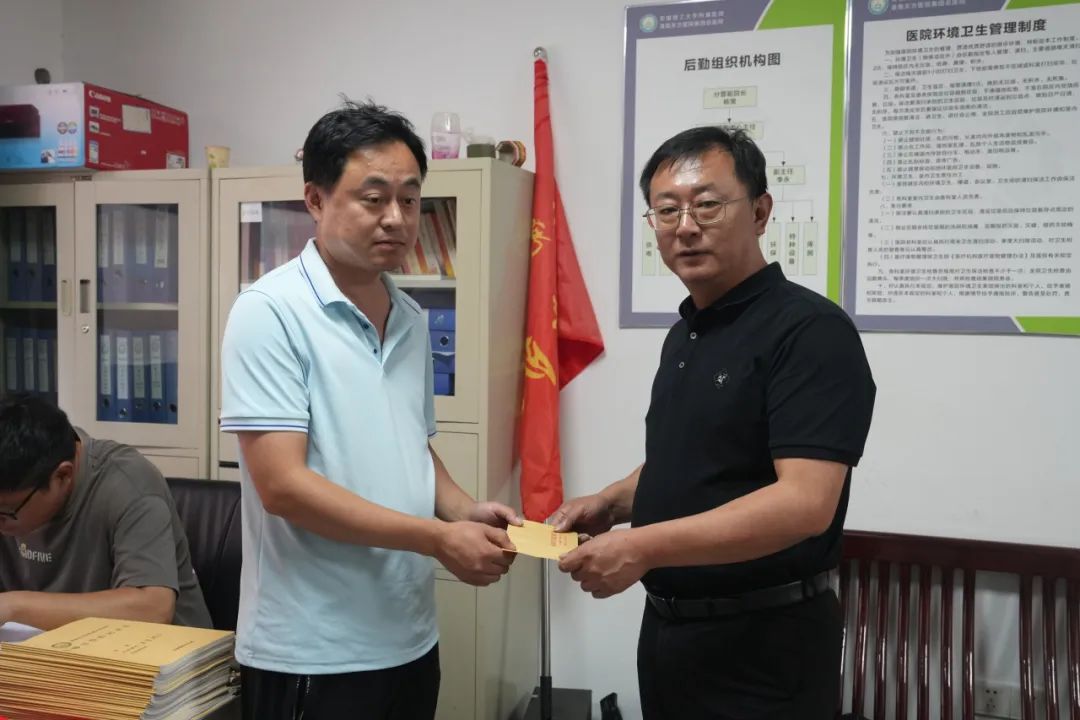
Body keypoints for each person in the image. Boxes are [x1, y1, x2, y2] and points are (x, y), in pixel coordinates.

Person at [552, 126, 876, 719]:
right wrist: (612, 502)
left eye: (706, 204)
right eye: (666, 210)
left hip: (764, 648)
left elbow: (805, 503)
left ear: (760, 212)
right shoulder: (686, 333)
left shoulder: (810, 332)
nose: (685, 226)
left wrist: (641, 546)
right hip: (671, 638)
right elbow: (698, 459)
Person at [220, 99, 521, 720]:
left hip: (409, 638)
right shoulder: (269, 312)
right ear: (315, 199)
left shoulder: (409, 316)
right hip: (312, 651)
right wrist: (438, 538)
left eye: (409, 200)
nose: (396, 219)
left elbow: (411, 445)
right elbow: (283, 487)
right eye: (374, 198)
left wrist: (463, 508)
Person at [0, 394, 212, 630]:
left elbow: (153, 607)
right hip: (42, 646)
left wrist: (14, 607)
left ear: (63, 476)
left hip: (160, 648)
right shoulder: (19, 487)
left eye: (6, 513)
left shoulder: (128, 484)